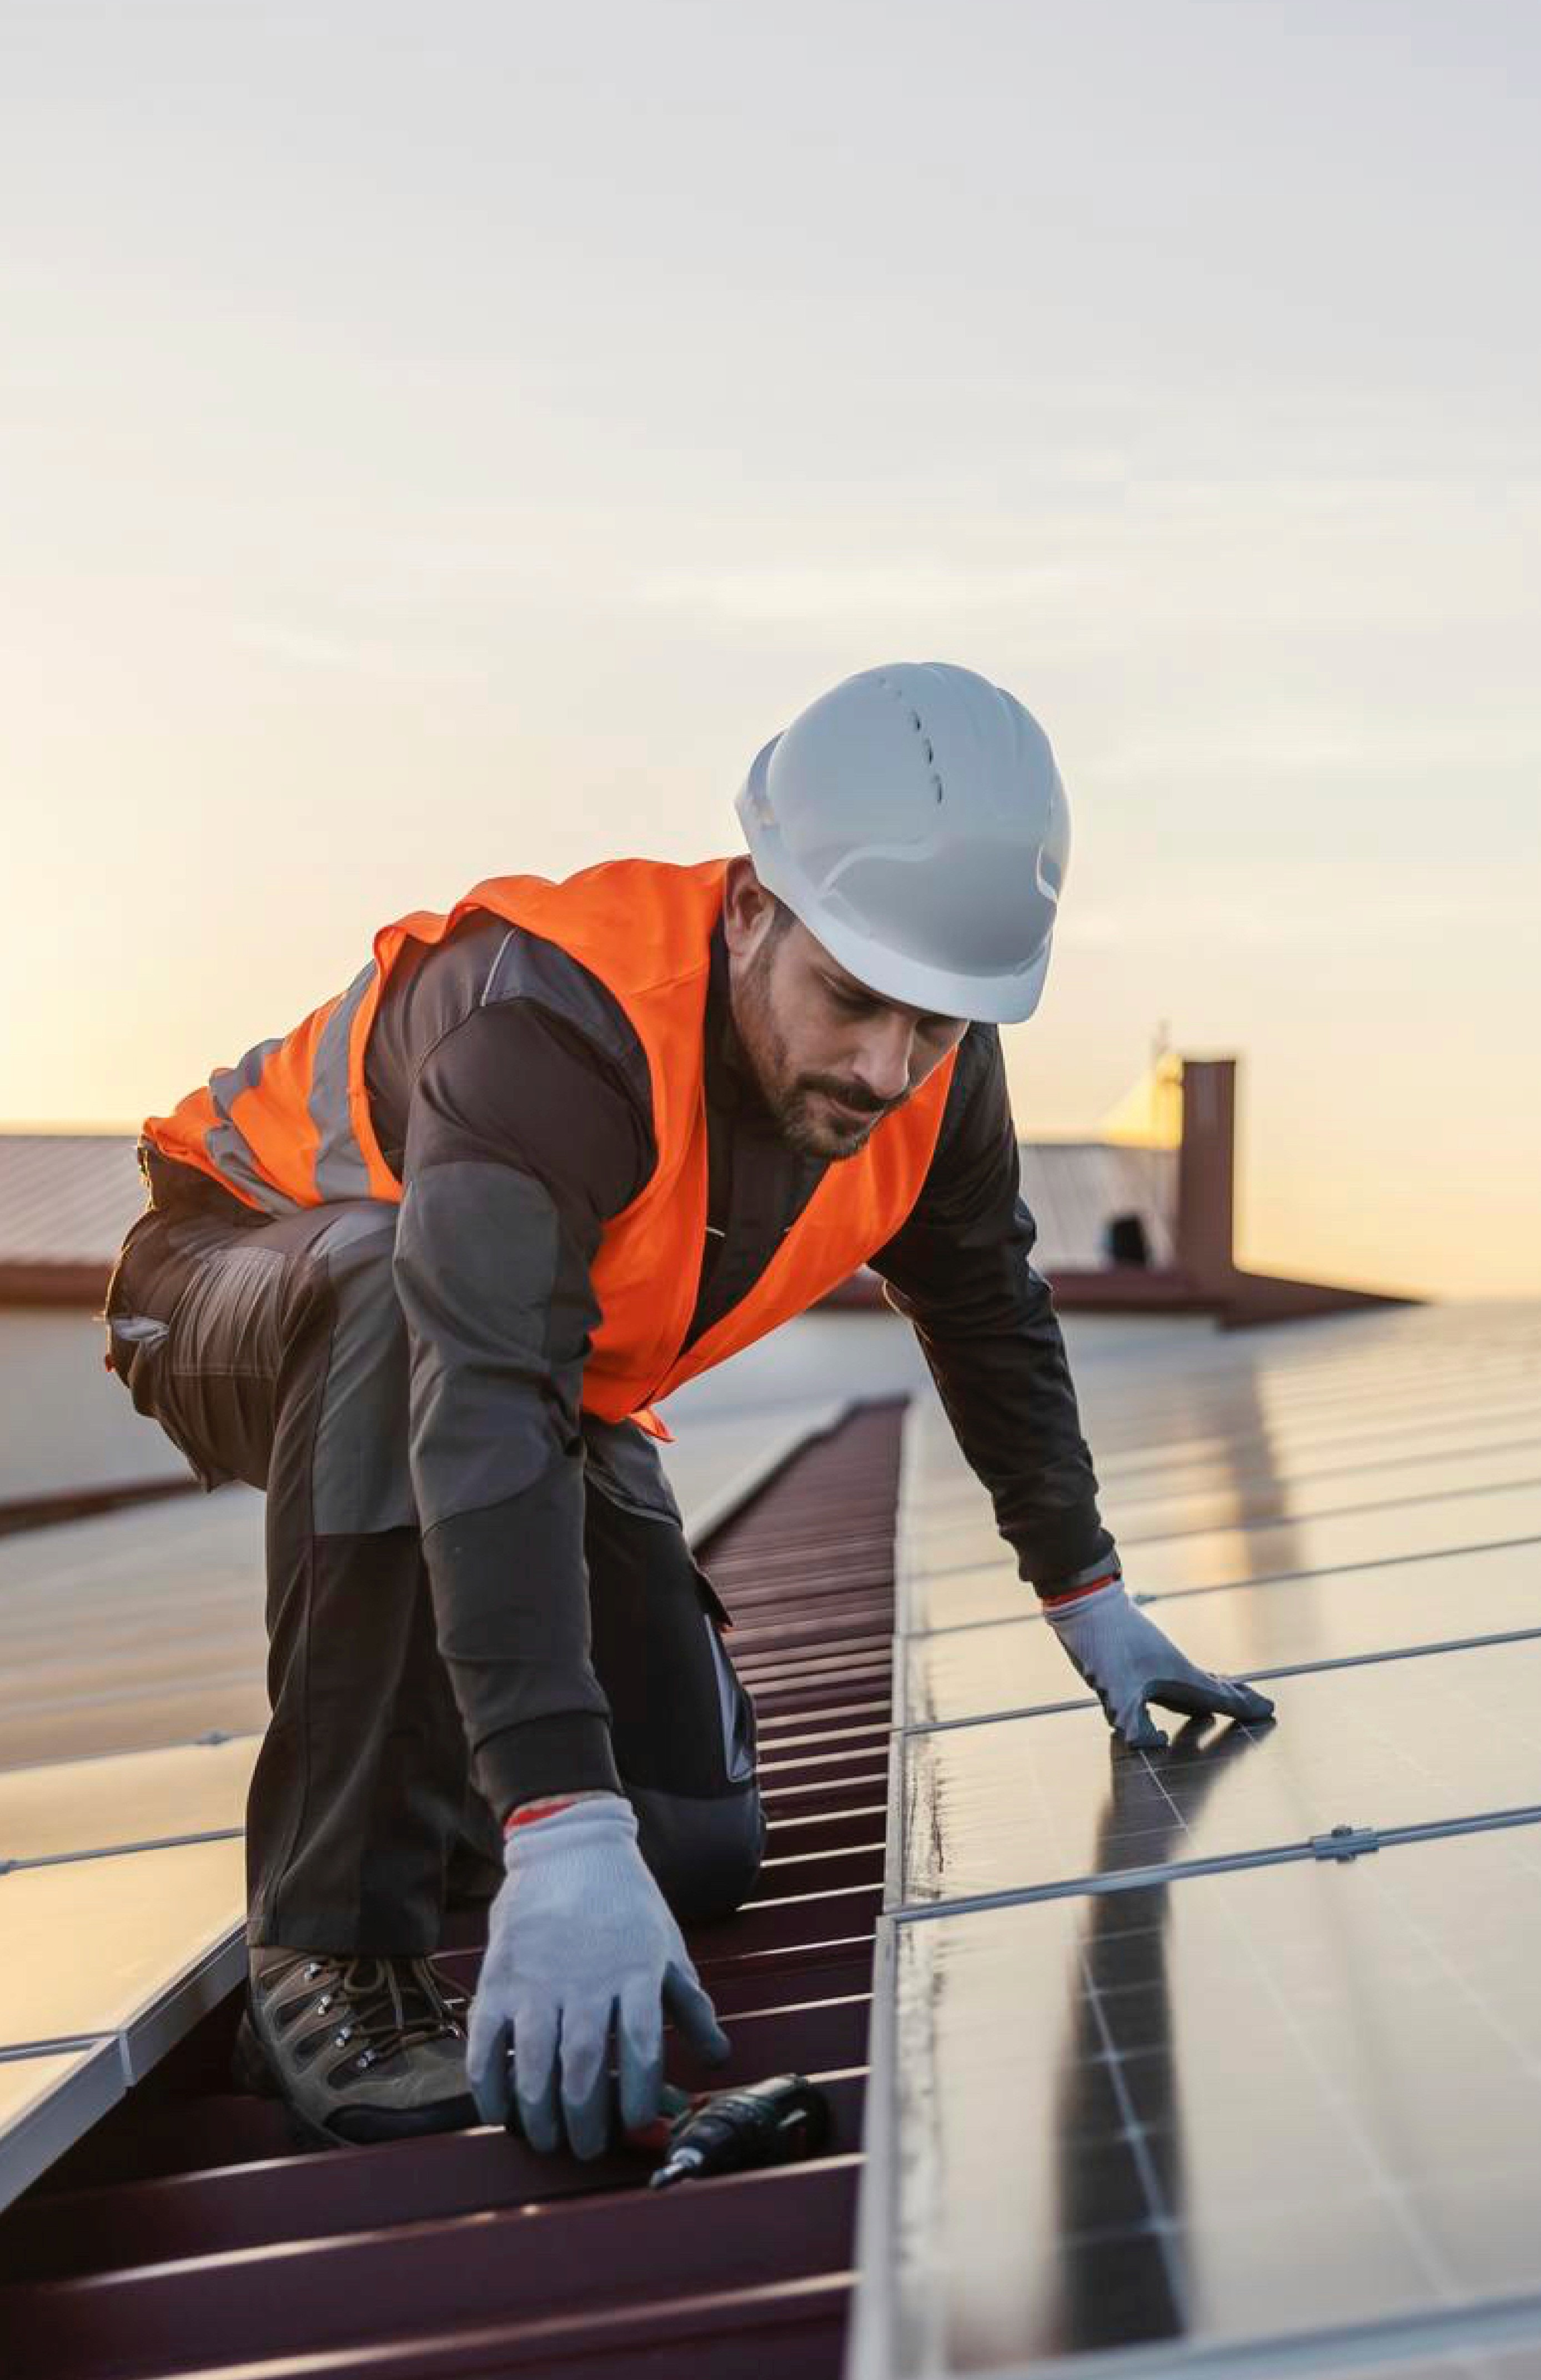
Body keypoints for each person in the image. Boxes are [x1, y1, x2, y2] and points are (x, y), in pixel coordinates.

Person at [102, 661, 1274, 2156]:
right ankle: (331, 1955)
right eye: (851, 1000)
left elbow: (988, 1310)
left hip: (525, 1367)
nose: (885, 1065)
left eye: (931, 1025)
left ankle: (440, 1777)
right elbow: (482, 1402)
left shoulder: (932, 1072)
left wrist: (1088, 1597)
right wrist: (556, 1818)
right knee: (396, 1313)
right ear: (752, 911)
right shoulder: (552, 1023)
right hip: (236, 1277)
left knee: (696, 1848)